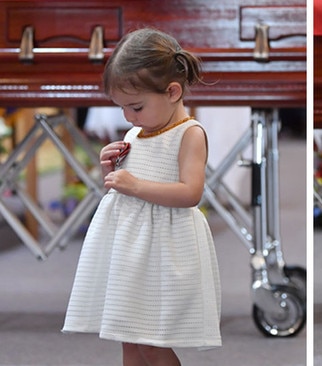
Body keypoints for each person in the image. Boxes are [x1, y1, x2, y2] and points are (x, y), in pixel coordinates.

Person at [62, 28, 221, 365]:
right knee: (128, 338)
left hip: (164, 248)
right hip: (129, 248)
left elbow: (190, 193)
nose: (129, 117)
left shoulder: (189, 134)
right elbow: (124, 188)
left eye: (135, 106)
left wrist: (134, 185)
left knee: (153, 341)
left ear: (173, 91)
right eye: (122, 108)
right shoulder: (136, 131)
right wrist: (112, 172)